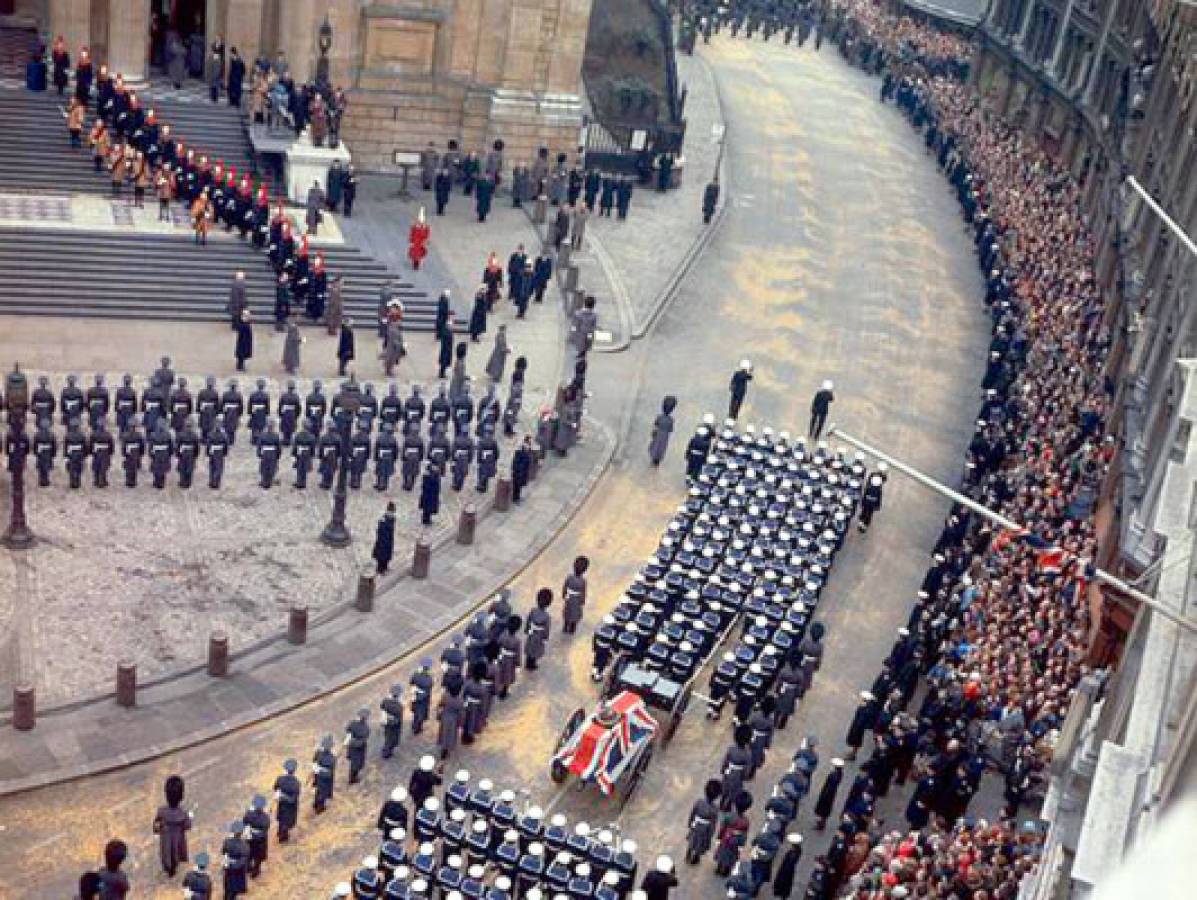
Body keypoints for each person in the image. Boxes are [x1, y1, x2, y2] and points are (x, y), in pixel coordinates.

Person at [152, 774, 191, 877]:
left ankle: (168, 869)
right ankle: (174, 867)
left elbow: (156, 825)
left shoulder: (161, 811)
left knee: (166, 853)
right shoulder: (182, 813)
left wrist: (158, 829)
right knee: (176, 853)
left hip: (165, 838)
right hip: (178, 839)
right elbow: (187, 826)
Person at [685, 779, 722, 864]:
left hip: (695, 825)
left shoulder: (699, 802)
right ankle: (695, 858)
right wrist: (711, 834)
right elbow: (713, 823)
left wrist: (690, 823)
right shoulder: (715, 809)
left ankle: (688, 855)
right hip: (705, 830)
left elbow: (693, 813)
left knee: (692, 841)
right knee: (700, 844)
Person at [813, 758, 845, 830]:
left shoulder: (833, 775)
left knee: (823, 809)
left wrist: (824, 794)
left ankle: (821, 824)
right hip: (832, 794)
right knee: (826, 809)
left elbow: (829, 787)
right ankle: (822, 822)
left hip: (827, 794)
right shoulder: (840, 774)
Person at [524, 588, 552, 669]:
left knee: (529, 647)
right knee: (536, 649)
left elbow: (528, 620)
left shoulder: (533, 611)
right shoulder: (547, 616)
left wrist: (527, 629)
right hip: (539, 635)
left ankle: (528, 662)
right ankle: (532, 664)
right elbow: (546, 628)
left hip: (531, 633)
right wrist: (545, 637)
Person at [220, 820, 249, 898]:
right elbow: (244, 860)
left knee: (227, 887)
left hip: (228, 866)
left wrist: (228, 864)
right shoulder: (244, 845)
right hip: (238, 870)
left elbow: (223, 852)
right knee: (234, 889)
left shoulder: (227, 841)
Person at [344, 707, 371, 784]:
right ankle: (353, 779)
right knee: (357, 764)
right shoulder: (366, 728)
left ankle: (352, 777)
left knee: (353, 763)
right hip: (359, 749)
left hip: (352, 746)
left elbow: (348, 731)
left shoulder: (352, 723)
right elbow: (364, 738)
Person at [649, 395, 676, 466]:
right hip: (665, 436)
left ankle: (653, 457)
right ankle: (657, 459)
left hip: (658, 433)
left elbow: (655, 424)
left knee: (655, 445)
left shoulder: (659, 417)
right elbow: (670, 429)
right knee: (662, 447)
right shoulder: (671, 420)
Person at [373, 503, 396, 574]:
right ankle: (380, 569)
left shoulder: (392, 519)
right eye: (391, 512)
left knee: (387, 556)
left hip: (388, 541)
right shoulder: (383, 521)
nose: (392, 514)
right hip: (382, 542)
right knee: (382, 556)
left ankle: (385, 567)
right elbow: (380, 533)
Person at [511, 434, 533, 503]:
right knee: (517, 486)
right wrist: (517, 470)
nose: (529, 446)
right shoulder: (520, 451)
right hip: (519, 472)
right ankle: (515, 498)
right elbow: (515, 462)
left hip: (523, 472)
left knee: (519, 486)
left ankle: (517, 497)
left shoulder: (527, 450)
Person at [419, 461, 441, 525]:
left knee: (428, 508)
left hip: (430, 494)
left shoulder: (432, 474)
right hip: (429, 494)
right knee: (427, 508)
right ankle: (425, 520)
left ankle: (426, 519)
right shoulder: (430, 475)